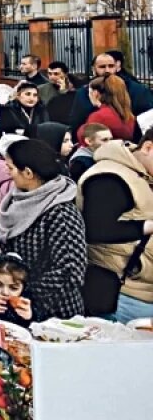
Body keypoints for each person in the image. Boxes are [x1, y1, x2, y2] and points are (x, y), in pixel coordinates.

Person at [0, 137, 86, 321]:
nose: (7, 172)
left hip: (55, 315)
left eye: (11, 168)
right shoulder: (19, 200)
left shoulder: (61, 212)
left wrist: (22, 289)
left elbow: (71, 272)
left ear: (28, 173)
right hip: (17, 305)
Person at [78, 136, 153, 321]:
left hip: (141, 291)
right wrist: (147, 226)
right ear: (148, 147)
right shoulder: (109, 177)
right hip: (123, 294)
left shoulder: (142, 172)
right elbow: (97, 228)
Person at [80, 74, 138, 144]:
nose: (88, 95)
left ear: (95, 93)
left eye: (89, 92)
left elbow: (87, 142)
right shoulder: (127, 114)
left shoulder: (99, 116)